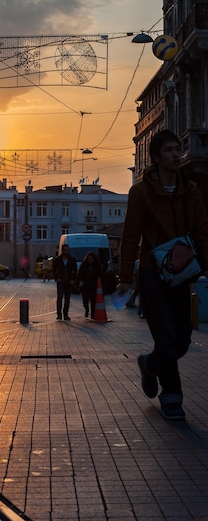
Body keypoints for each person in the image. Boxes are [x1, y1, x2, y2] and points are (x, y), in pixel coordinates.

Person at [117, 130, 208, 421]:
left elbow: (203, 230)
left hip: (182, 272)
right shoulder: (141, 192)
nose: (175, 154)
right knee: (166, 335)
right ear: (156, 158)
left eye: (177, 149)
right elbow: (130, 235)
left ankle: (150, 363)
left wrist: (205, 265)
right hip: (152, 273)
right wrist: (125, 276)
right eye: (169, 150)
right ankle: (172, 398)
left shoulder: (189, 190)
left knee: (181, 338)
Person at [52, 243, 77, 320]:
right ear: (62, 250)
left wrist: (73, 279)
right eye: (65, 250)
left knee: (67, 298)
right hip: (61, 281)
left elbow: (75, 271)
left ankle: (66, 314)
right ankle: (59, 314)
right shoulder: (57, 260)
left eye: (68, 250)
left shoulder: (72, 259)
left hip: (68, 281)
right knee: (59, 297)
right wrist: (57, 278)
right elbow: (54, 270)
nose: (67, 252)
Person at [77, 251, 103, 319]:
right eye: (89, 259)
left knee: (93, 300)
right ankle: (87, 309)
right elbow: (79, 275)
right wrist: (78, 284)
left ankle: (92, 314)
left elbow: (101, 276)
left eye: (91, 259)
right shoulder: (83, 265)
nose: (90, 260)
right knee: (85, 299)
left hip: (94, 285)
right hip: (85, 286)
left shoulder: (97, 266)